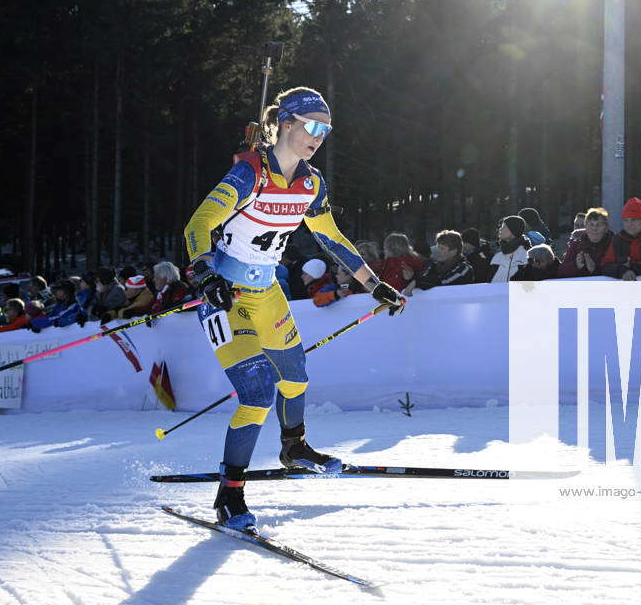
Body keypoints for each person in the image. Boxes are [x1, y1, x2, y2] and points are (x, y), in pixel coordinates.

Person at [182, 85, 405, 531]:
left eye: (327, 129)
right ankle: (230, 494)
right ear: (286, 123)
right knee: (259, 392)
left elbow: (330, 238)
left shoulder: (311, 182)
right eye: (313, 126)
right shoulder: (250, 173)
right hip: (226, 298)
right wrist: (204, 272)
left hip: (268, 295)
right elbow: (200, 223)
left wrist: (373, 283)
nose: (320, 136)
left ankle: (294, 447)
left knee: (295, 375)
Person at [407, 230, 474, 292]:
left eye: (442, 248)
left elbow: (443, 281)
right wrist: (411, 277)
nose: (438, 251)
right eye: (438, 247)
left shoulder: (464, 269)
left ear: (454, 251)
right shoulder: (435, 265)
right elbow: (424, 277)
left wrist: (416, 281)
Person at [558, 207, 613, 278]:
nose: (594, 228)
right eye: (591, 224)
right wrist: (576, 265)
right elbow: (560, 272)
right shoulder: (576, 245)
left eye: (598, 225)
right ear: (586, 227)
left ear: (606, 228)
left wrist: (595, 270)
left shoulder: (613, 245)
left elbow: (619, 271)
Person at [490, 216, 530, 282]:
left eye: (504, 227)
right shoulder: (497, 255)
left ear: (514, 230)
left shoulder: (527, 255)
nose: (500, 229)